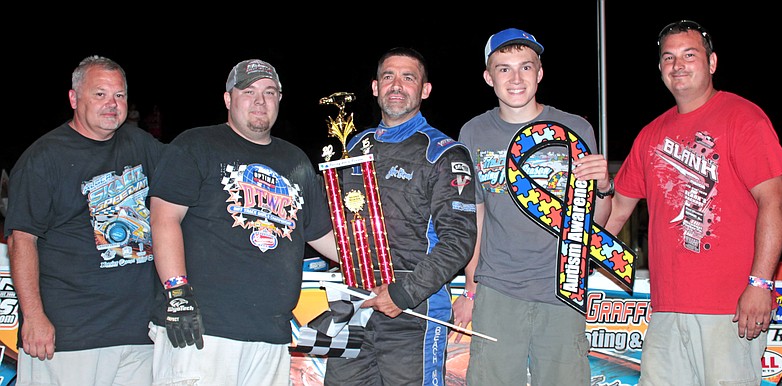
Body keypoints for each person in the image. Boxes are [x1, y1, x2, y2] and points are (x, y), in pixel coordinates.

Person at [604, 20, 782, 385]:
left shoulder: (744, 118)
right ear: (660, 70)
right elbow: (617, 212)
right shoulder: (650, 135)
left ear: (712, 63)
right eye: (668, 58)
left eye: (689, 55)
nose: (678, 65)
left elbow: (775, 203)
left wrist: (760, 284)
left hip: (729, 308)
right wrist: (578, 260)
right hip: (666, 309)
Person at [147, 58, 338, 385]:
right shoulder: (195, 145)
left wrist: (378, 262)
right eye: (248, 92)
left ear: (280, 99)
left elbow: (322, 236)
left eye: (269, 92)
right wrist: (177, 294)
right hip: (202, 330)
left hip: (271, 333)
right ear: (228, 99)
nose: (260, 101)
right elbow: (164, 218)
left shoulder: (296, 162)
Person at [453, 28, 613, 385]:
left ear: (539, 73)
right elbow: (475, 218)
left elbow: (594, 224)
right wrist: (469, 290)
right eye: (504, 68)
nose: (515, 78)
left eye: (525, 67)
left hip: (561, 288)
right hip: (497, 289)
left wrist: (603, 188)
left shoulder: (575, 127)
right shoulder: (473, 132)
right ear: (488, 77)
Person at [3, 55, 163, 385]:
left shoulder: (143, 145)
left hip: (140, 333)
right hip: (69, 337)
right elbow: (21, 239)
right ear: (74, 98)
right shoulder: (43, 159)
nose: (112, 104)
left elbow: (187, 194)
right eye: (100, 94)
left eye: (119, 95)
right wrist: (33, 316)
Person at [323, 47, 477, 385]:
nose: (397, 84)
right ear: (375, 87)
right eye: (388, 76)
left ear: (424, 90)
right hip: (356, 308)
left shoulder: (444, 153)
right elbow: (336, 225)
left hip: (412, 311)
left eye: (408, 78)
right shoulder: (352, 147)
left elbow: (458, 242)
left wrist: (403, 293)